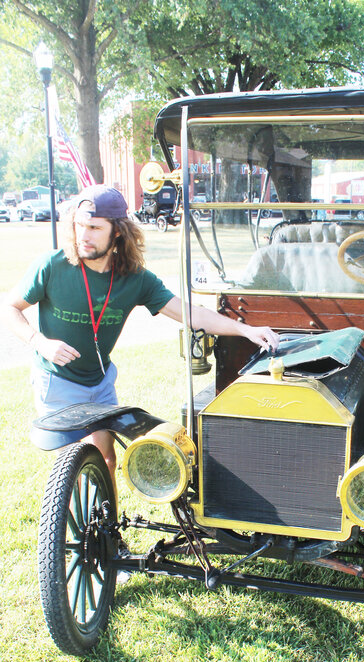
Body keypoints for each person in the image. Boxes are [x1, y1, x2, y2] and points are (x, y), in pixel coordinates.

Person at [0, 185, 280, 488]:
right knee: (73, 466)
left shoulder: (135, 278)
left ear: (118, 232)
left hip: (100, 381)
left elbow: (190, 313)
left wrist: (245, 329)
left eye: (94, 228)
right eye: (79, 226)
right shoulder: (52, 267)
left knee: (107, 458)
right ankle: (64, 536)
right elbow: (10, 308)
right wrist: (39, 342)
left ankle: (106, 532)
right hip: (57, 381)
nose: (84, 235)